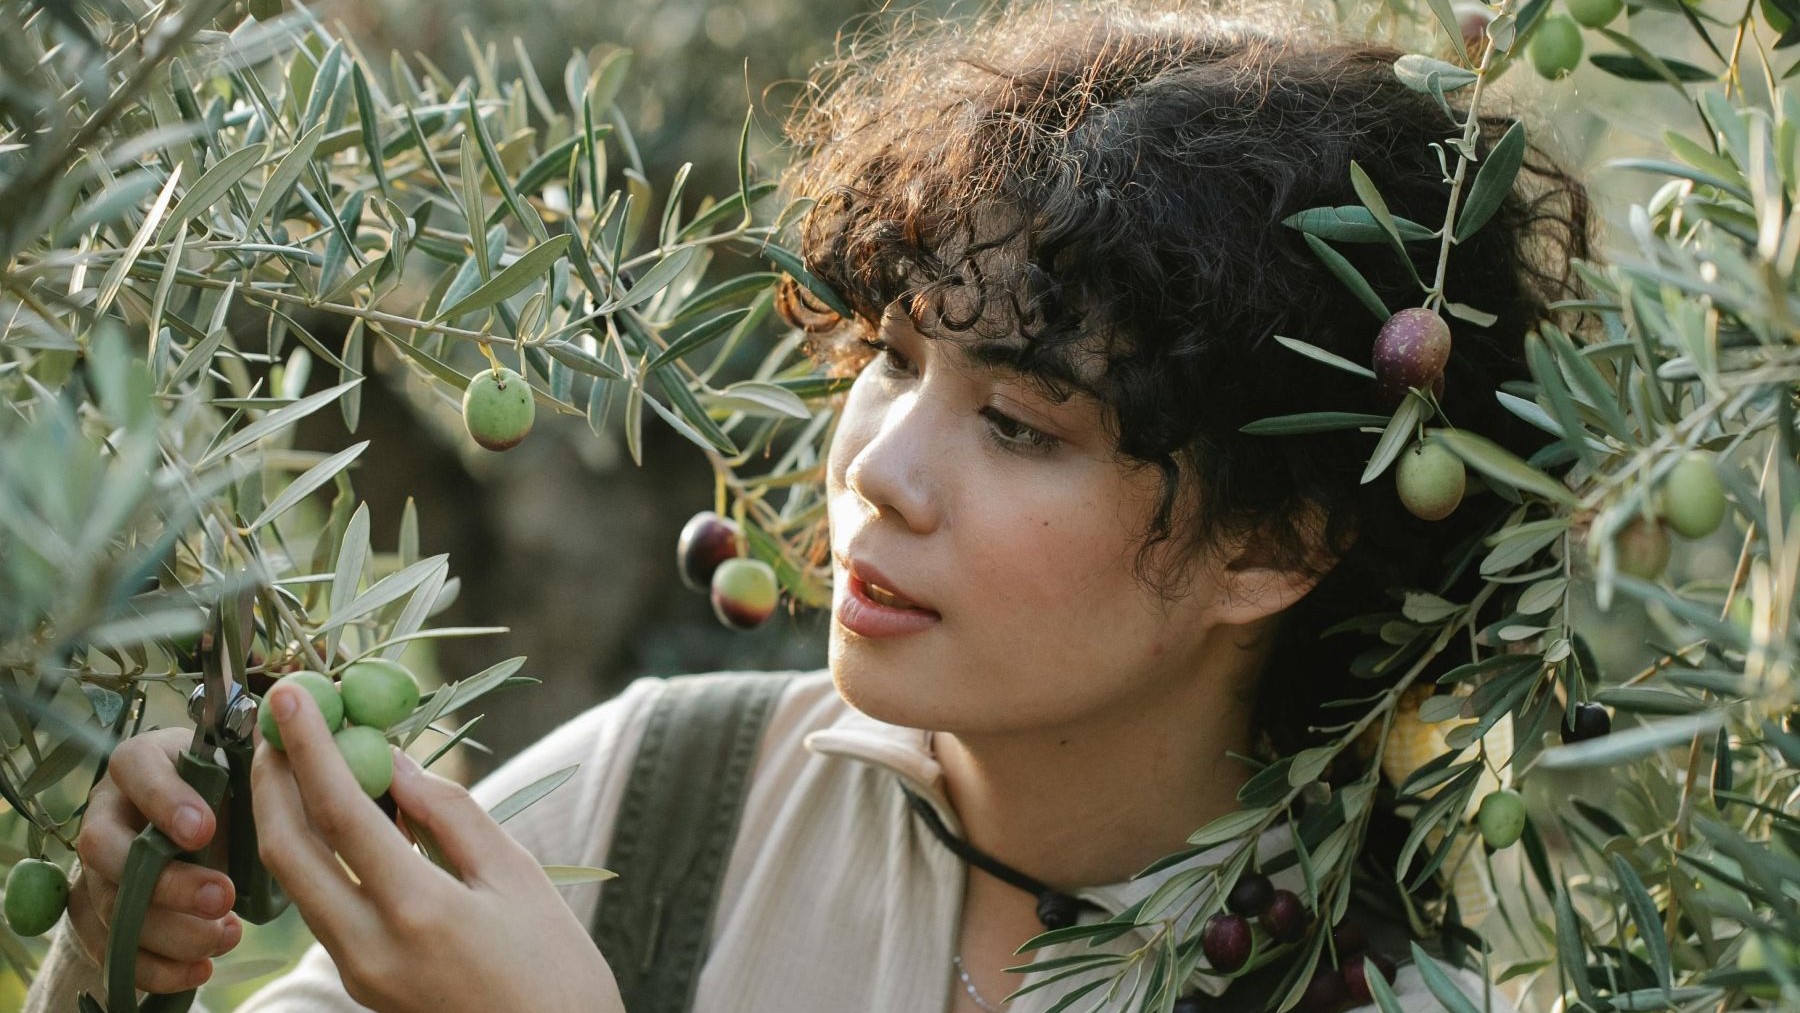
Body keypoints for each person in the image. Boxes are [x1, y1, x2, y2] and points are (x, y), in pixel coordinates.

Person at [24, 1, 1592, 1011]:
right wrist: (113, 959)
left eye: (1023, 427)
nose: (878, 469)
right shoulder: (660, 801)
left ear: (1277, 539)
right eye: (896, 361)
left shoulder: (1387, 991)